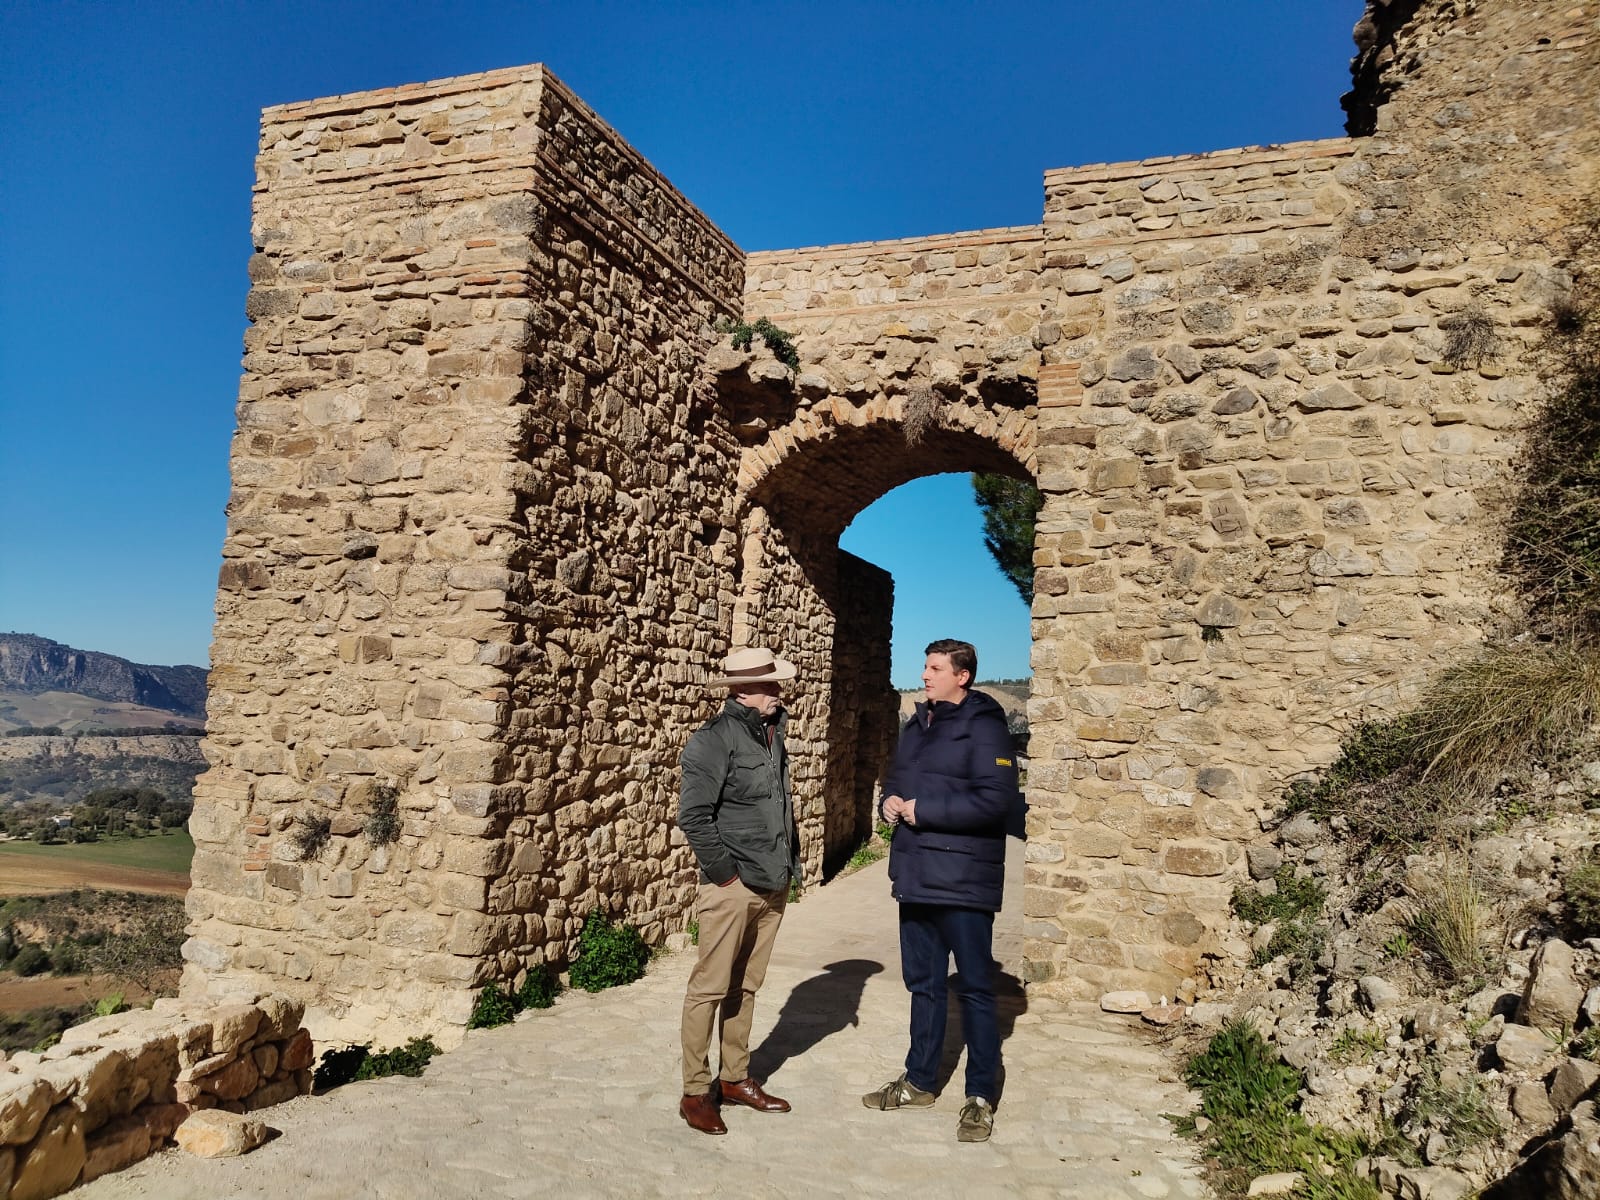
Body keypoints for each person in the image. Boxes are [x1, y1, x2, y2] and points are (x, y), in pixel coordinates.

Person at [862, 638, 1019, 1143]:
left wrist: (922, 812)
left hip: (965, 883)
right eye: (925, 667)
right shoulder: (917, 724)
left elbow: (996, 804)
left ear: (962, 675)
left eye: (934, 668)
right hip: (917, 877)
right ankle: (920, 1081)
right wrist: (890, 802)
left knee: (973, 988)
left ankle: (979, 1096)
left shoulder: (986, 726)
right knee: (923, 985)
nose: (925, 676)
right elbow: (899, 781)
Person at [676, 645, 803, 1135]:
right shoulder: (712, 740)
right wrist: (726, 876)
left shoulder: (773, 734)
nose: (779, 692)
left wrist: (788, 866)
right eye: (772, 685)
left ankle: (734, 1078)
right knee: (708, 988)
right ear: (746, 691)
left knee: (746, 986)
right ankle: (694, 1091)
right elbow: (694, 816)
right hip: (733, 886)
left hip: (773, 883)